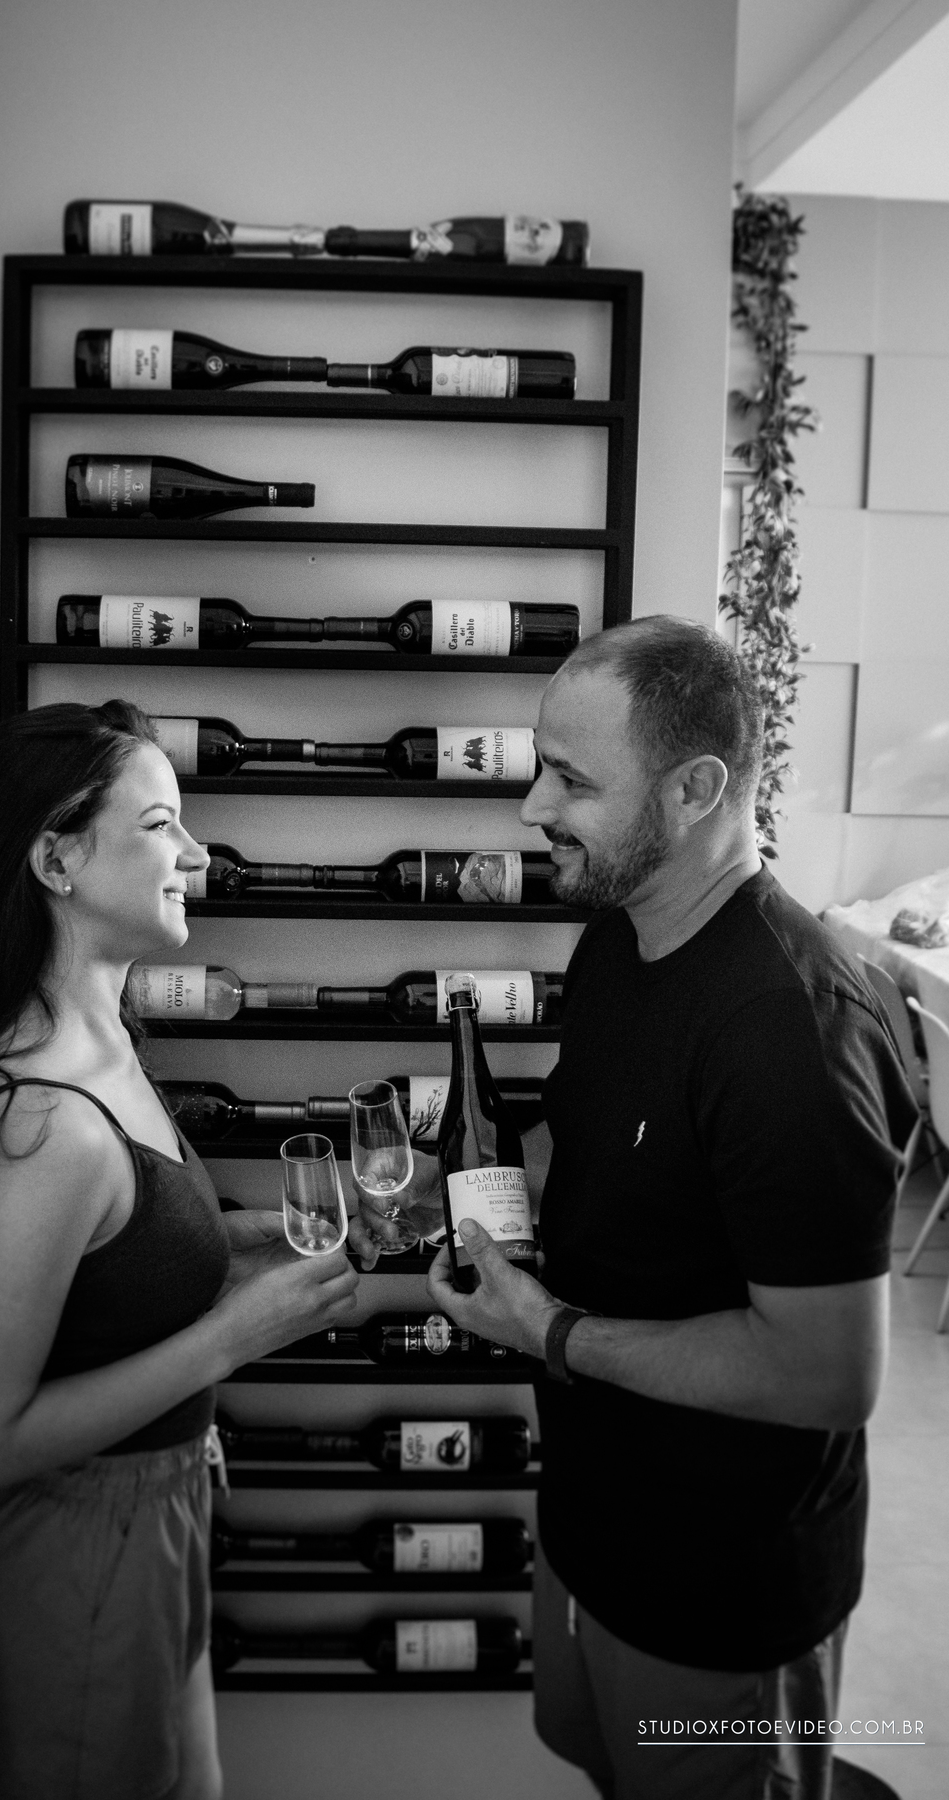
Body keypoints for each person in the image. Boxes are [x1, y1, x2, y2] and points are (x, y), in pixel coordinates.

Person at [364, 617, 917, 1800]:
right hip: (593, 1524)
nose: (532, 806)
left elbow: (829, 1375)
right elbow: (620, 1174)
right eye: (540, 766)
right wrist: (468, 1215)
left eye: (571, 780)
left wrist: (551, 1332)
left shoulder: (791, 1029)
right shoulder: (617, 943)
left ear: (695, 790)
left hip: (721, 1589)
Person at [0, 700, 362, 1800]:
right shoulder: (43, 1118)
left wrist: (230, 1242)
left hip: (152, 1515)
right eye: (160, 825)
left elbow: (106, 1257)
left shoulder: (104, 1037)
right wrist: (232, 1337)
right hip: (73, 1552)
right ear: (56, 860)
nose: (196, 853)